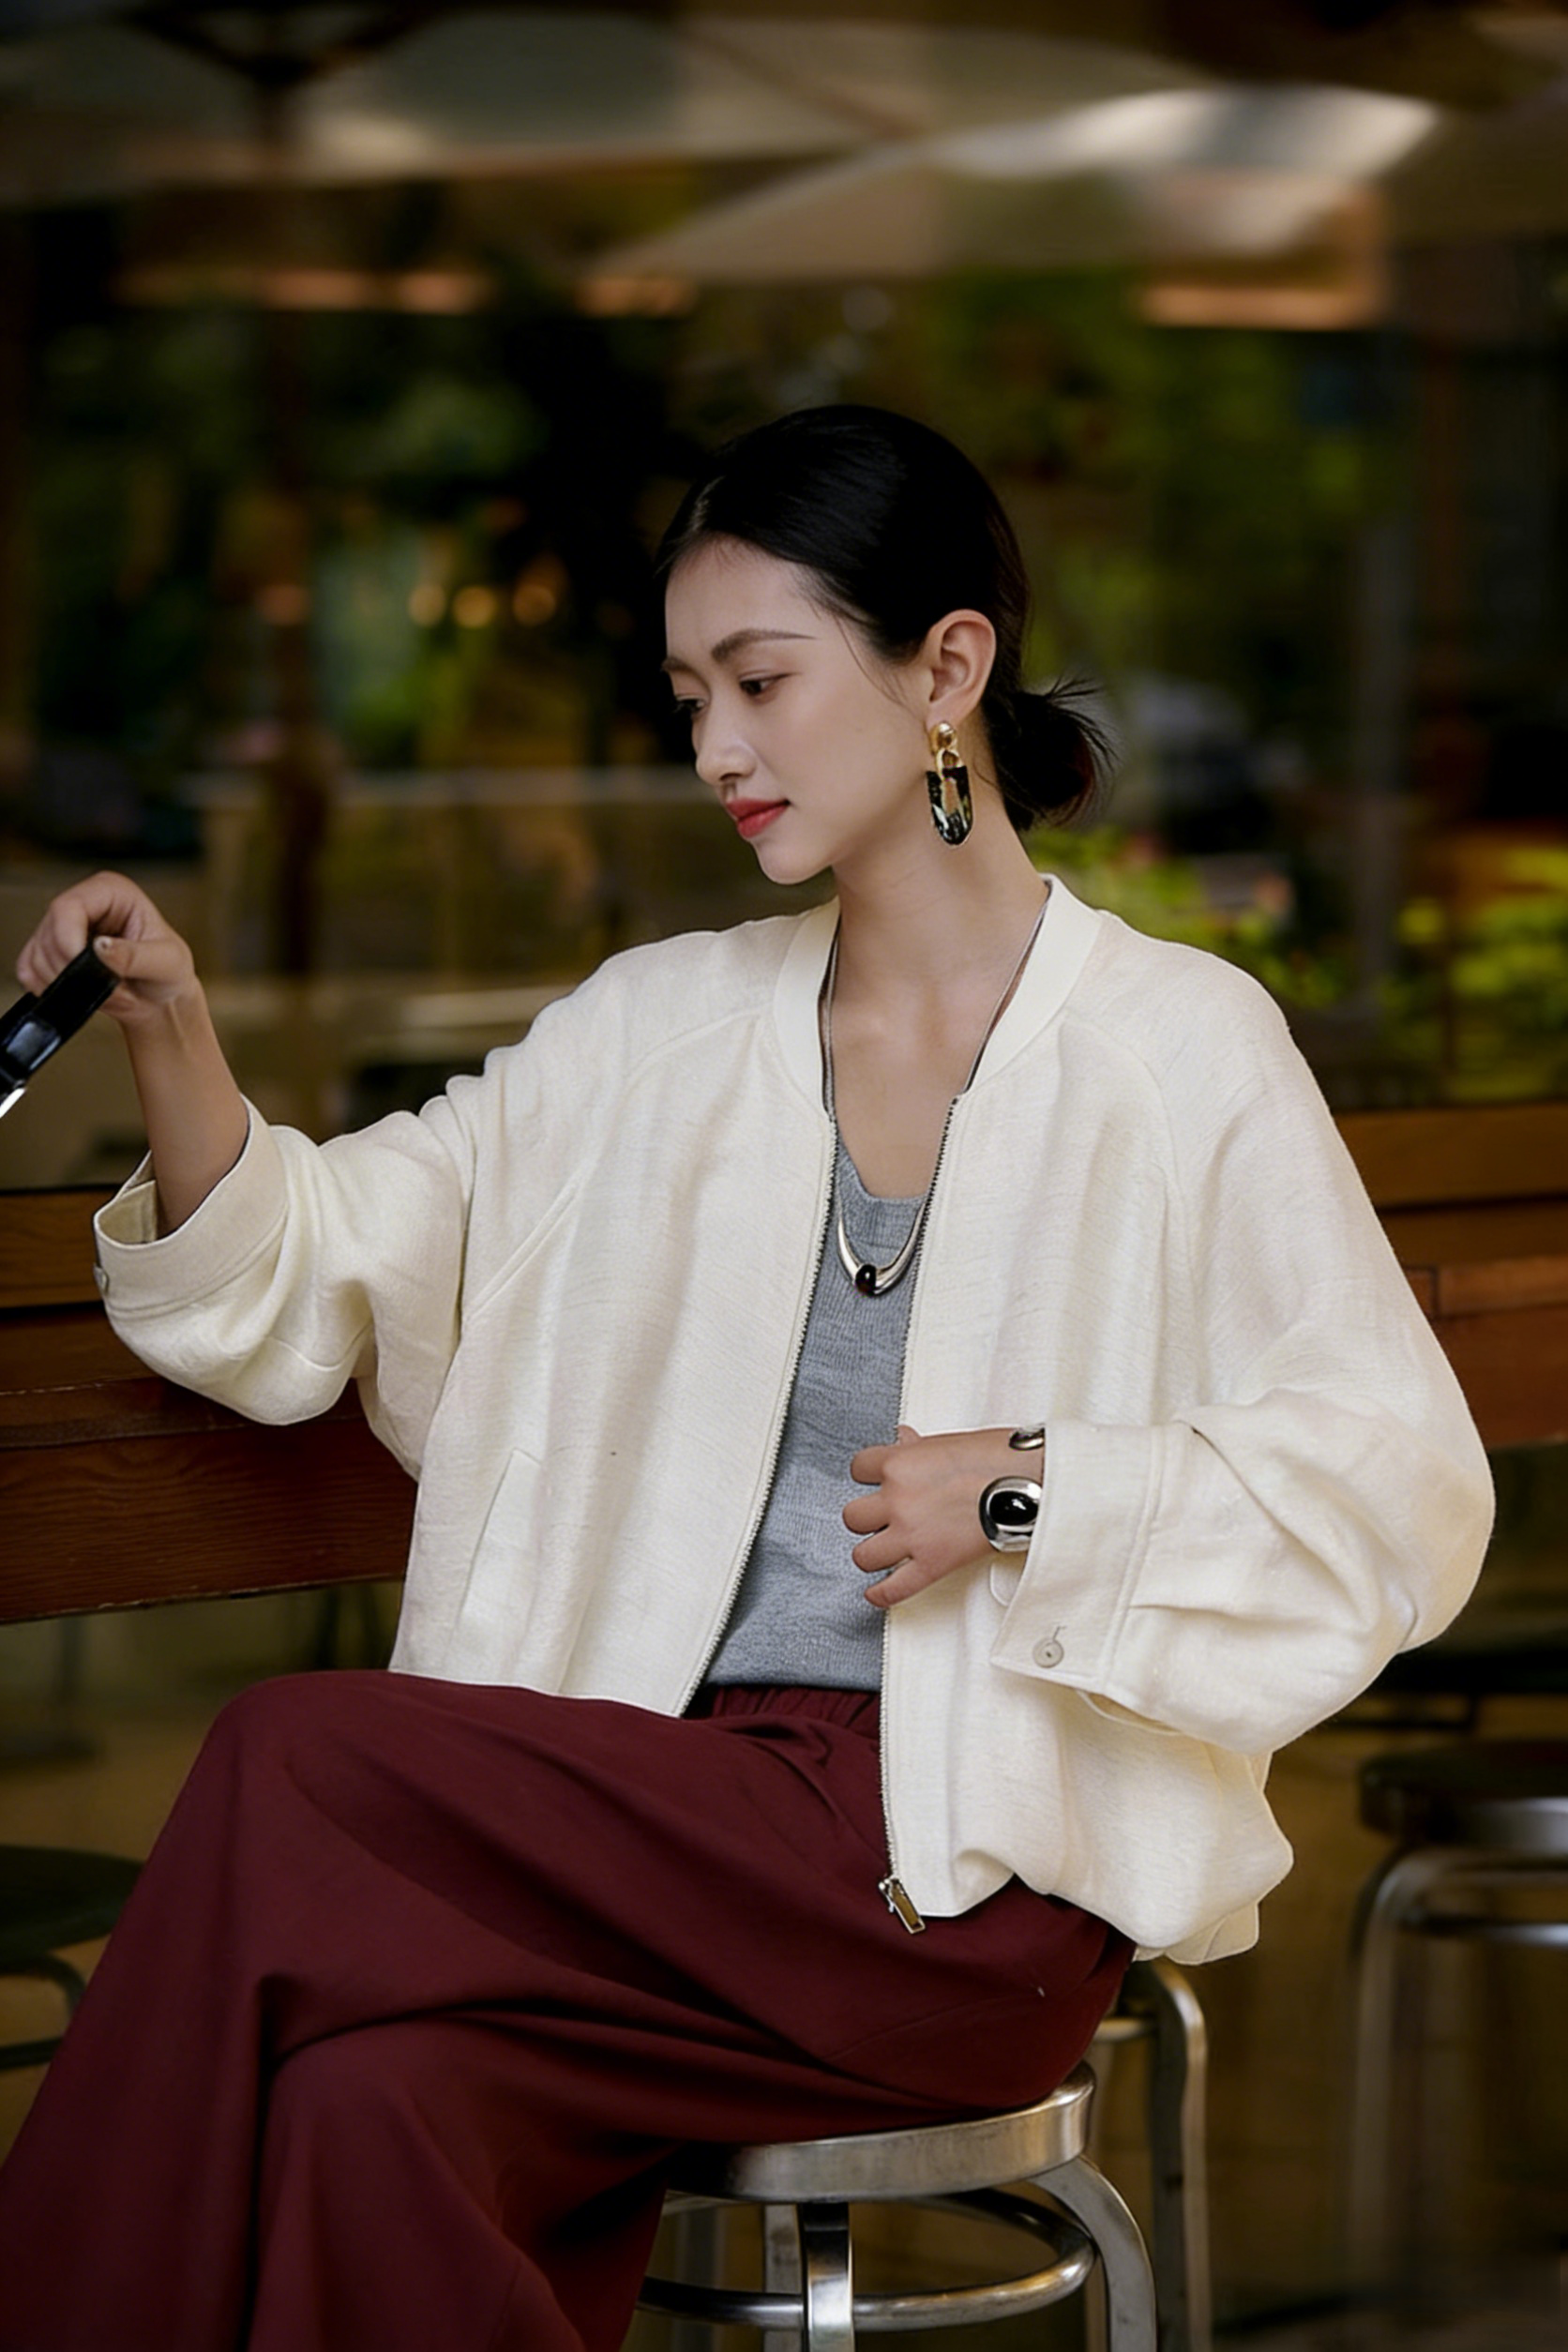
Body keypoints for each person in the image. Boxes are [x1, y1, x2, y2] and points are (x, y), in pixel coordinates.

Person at [0, 406, 1490, 2351]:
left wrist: (1033, 1485)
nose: (716, 747)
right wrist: (174, 1026)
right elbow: (311, 1267)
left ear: (946, 669)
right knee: (376, 2111)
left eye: (761, 682)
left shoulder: (1181, 1051)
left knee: (292, 1759)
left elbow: (1397, 1484)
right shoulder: (654, 1035)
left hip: (960, 1877)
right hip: (664, 1821)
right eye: (691, 694)